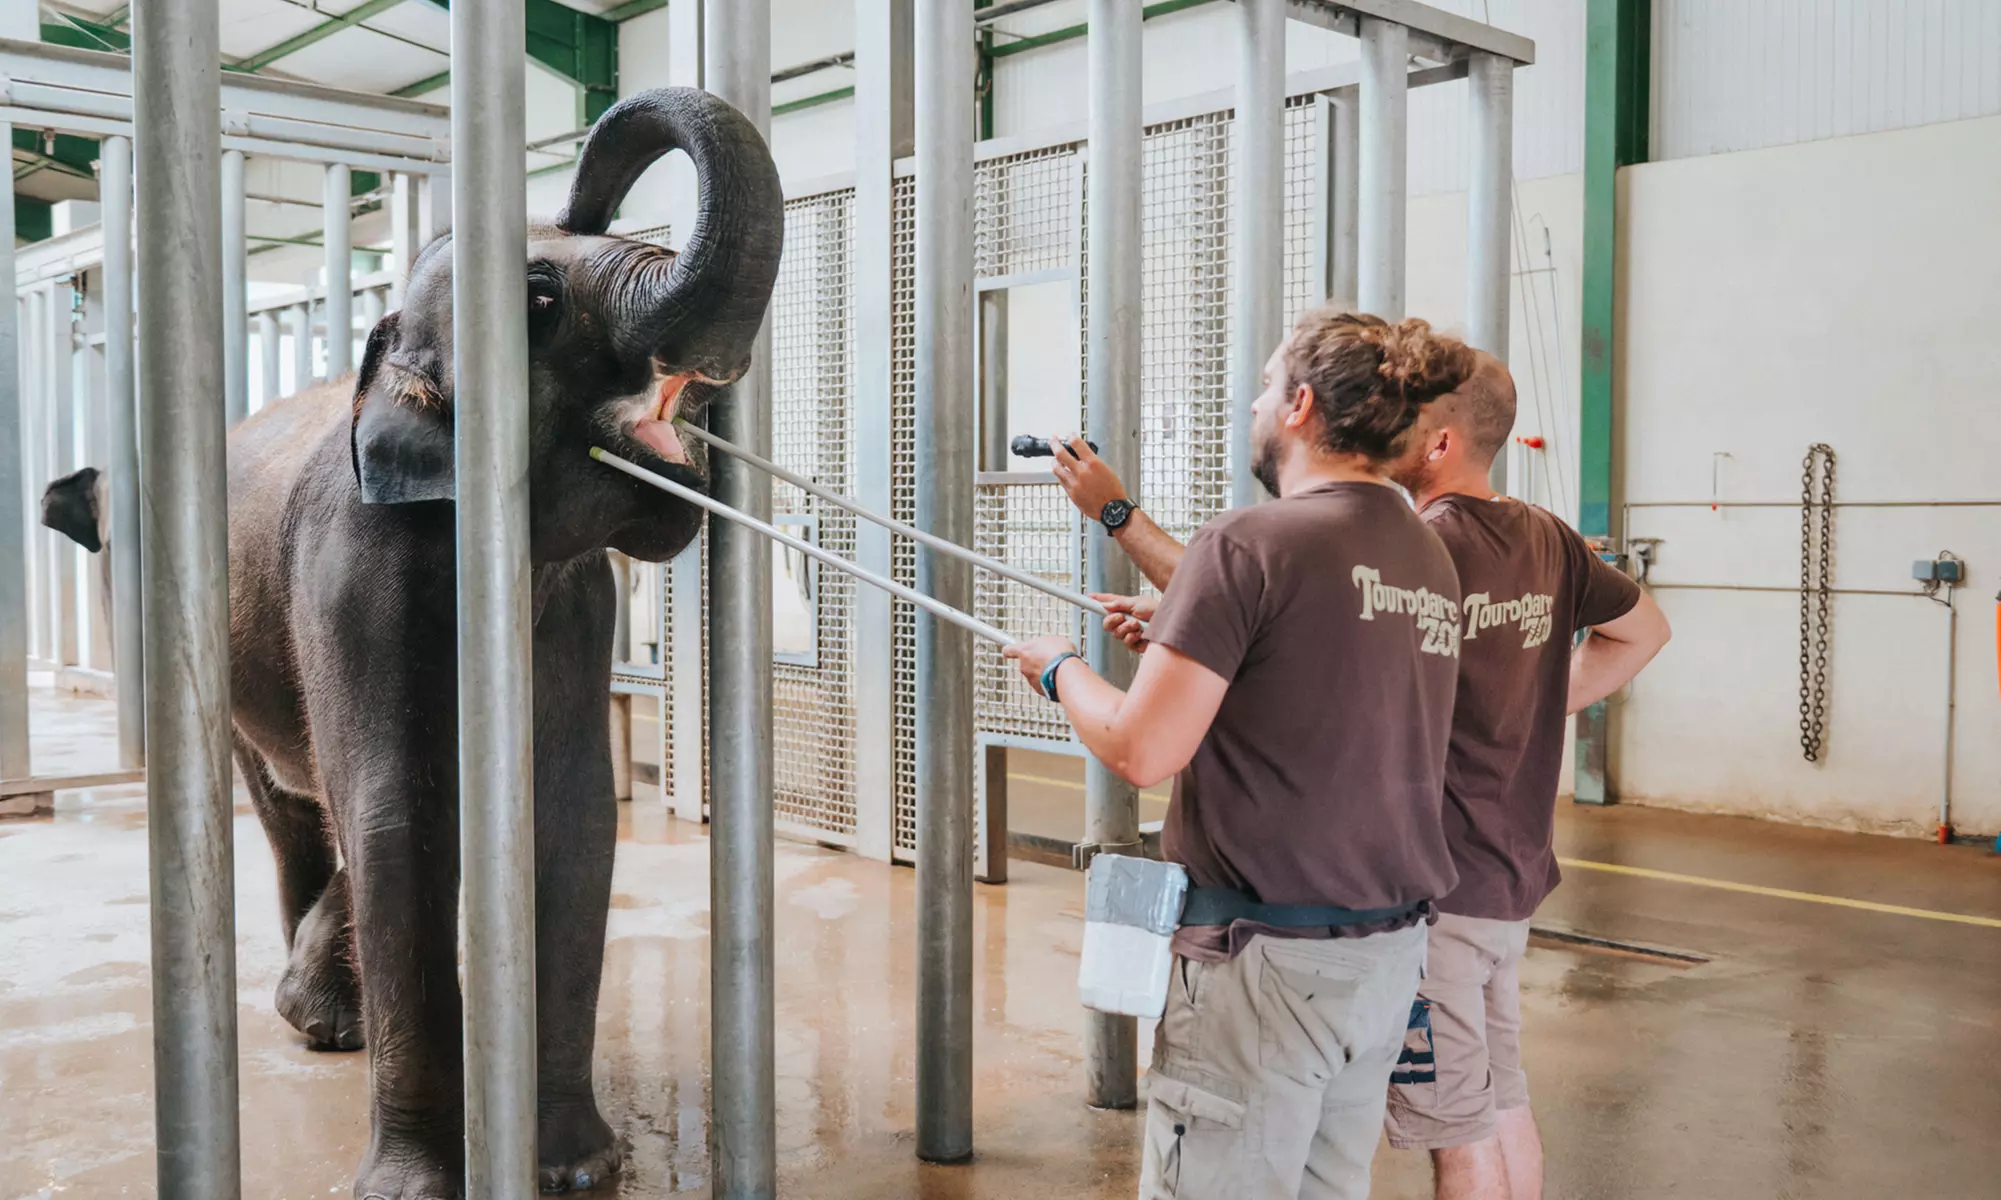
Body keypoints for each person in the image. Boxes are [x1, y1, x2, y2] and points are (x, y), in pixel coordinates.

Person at [1050, 351, 1673, 1200]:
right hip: (1503, 879)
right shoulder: (1543, 537)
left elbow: (1272, 594)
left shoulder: (1428, 543)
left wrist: (1118, 528)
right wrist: (1527, 703)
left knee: (1451, 1128)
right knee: (1492, 1099)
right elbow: (1644, 631)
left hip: (1430, 893)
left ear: (1439, 438)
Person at [1005, 309, 1478, 1200]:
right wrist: (1197, 638)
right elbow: (1320, 673)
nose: (1255, 401)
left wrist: (1059, 670)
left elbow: (1141, 748)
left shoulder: (1248, 540)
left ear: (1299, 406)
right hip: (1382, 957)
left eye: (1266, 385)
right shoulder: (1423, 552)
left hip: (1263, 969)